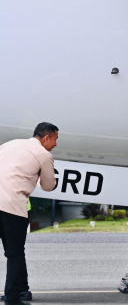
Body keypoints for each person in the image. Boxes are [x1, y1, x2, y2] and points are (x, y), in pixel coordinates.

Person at [0, 122, 58, 305]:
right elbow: (48, 186)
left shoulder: (10, 144)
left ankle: (16, 294)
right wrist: (38, 178)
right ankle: (12, 299)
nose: (55, 144)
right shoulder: (44, 155)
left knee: (12, 253)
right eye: (55, 139)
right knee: (15, 254)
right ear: (46, 137)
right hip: (12, 207)